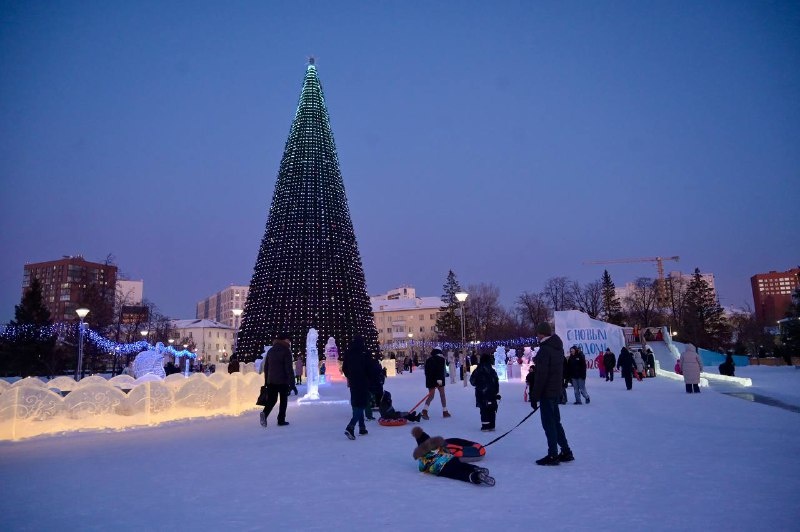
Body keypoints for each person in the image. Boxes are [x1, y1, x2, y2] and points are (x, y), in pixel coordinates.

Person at [530, 322, 573, 466]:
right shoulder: (557, 348)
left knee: (549, 424)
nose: (537, 335)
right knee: (555, 422)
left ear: (542, 334)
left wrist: (535, 395)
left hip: (547, 392)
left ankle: (553, 455)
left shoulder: (545, 350)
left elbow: (541, 376)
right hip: (555, 390)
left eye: (538, 333)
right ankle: (566, 451)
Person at [411, 427, 495, 486]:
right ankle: (475, 468)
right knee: (461, 465)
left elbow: (422, 468)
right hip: (450, 459)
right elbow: (447, 450)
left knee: (458, 474)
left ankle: (475, 476)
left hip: (442, 469)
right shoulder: (438, 446)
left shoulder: (423, 457)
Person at [258, 333, 294, 428]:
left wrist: (266, 380)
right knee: (283, 400)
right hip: (283, 380)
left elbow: (266, 367)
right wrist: (292, 382)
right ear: (285, 340)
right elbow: (288, 368)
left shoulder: (271, 350)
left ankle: (265, 414)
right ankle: (281, 420)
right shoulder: (286, 351)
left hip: (271, 381)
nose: (289, 342)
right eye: (288, 340)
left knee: (272, 400)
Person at [342, 336, 371, 439]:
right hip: (363, 382)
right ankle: (351, 426)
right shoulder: (365, 352)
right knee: (363, 404)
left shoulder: (348, 353)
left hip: (353, 382)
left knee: (356, 404)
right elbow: (369, 368)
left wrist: (350, 376)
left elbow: (344, 368)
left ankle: (362, 428)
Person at [470, 354, 500, 431]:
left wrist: (479, 384)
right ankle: (492, 425)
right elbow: (496, 382)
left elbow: (472, 381)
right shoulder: (492, 371)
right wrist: (496, 392)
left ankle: (485, 426)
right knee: (492, 409)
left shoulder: (477, 370)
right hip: (492, 393)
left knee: (484, 409)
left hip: (481, 393)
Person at [422, 348, 450, 419]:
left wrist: (429, 380)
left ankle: (425, 410)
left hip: (430, 380)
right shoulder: (441, 359)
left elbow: (426, 371)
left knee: (431, 396)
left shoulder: (428, 360)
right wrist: (439, 379)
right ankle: (445, 411)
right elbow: (440, 370)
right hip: (439, 380)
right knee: (442, 395)